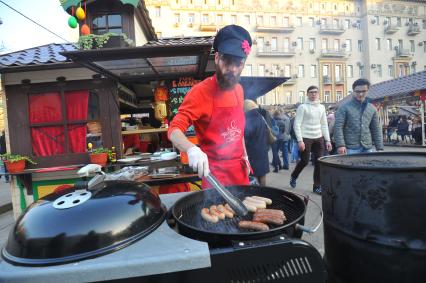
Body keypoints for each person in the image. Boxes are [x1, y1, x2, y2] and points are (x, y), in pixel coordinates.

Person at [168, 25, 252, 188]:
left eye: (238, 64)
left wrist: (246, 156)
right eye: (227, 62)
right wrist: (192, 149)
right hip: (215, 176)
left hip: (240, 172)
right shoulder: (199, 93)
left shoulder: (239, 90)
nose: (232, 70)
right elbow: (174, 130)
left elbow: (238, 131)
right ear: (217, 58)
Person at [289, 86, 332, 195]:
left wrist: (327, 140)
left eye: (316, 92)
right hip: (305, 137)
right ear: (307, 94)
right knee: (304, 161)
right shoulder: (303, 107)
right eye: (311, 92)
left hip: (319, 137)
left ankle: (317, 186)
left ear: (318, 94)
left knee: (319, 162)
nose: (313, 94)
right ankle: (294, 176)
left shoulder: (322, 107)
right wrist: (300, 140)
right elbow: (297, 124)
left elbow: (324, 124)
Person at [334, 78, 384, 155]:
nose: (360, 94)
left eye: (363, 91)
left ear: (368, 91)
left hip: (367, 147)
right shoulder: (344, 107)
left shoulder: (372, 108)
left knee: (368, 167)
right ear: (353, 91)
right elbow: (338, 127)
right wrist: (340, 145)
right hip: (350, 147)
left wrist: (379, 147)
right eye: (357, 91)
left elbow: (376, 128)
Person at [244, 99, 269, 186]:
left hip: (252, 151)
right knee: (262, 173)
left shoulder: (249, 118)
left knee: (253, 174)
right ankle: (264, 191)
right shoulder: (260, 116)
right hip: (262, 149)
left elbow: (246, 136)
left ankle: (257, 192)